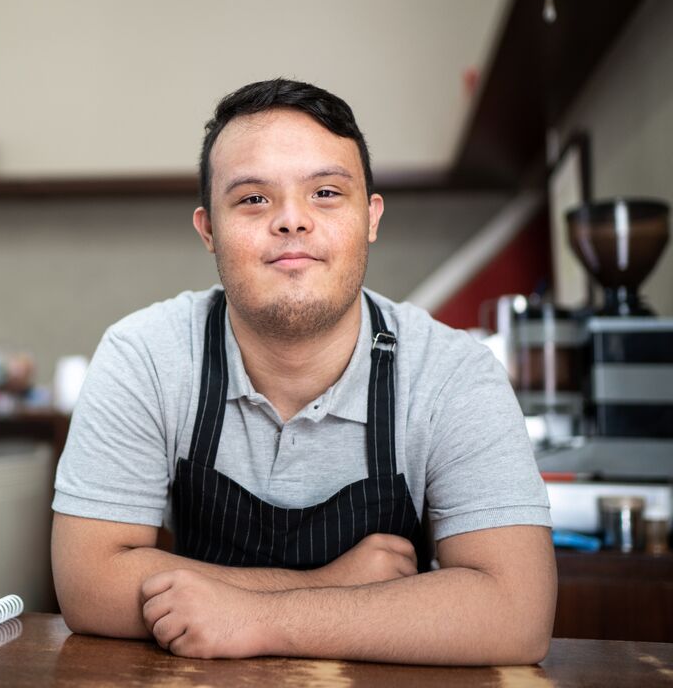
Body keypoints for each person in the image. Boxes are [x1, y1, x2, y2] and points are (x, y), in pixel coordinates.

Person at [51, 78, 556, 665]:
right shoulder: (146, 353)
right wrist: (337, 584)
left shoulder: (451, 373)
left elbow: (516, 613)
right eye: (253, 199)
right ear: (208, 230)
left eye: (325, 192)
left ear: (370, 217)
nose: (292, 221)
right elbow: (87, 585)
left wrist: (259, 618)